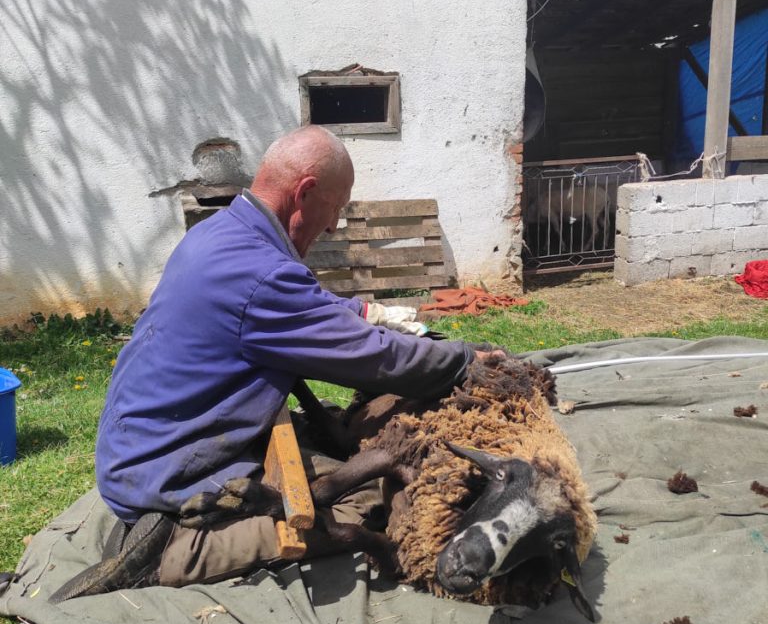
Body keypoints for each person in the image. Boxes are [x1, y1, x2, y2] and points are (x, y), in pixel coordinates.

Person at [54, 126, 487, 599]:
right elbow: (375, 359)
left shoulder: (221, 235)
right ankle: (171, 551)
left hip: (140, 444)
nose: (332, 227)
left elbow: (301, 305)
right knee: (363, 499)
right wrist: (467, 360)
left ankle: (193, 520)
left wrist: (364, 312)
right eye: (335, 209)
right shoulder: (260, 275)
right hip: (165, 473)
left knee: (324, 451)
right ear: (304, 193)